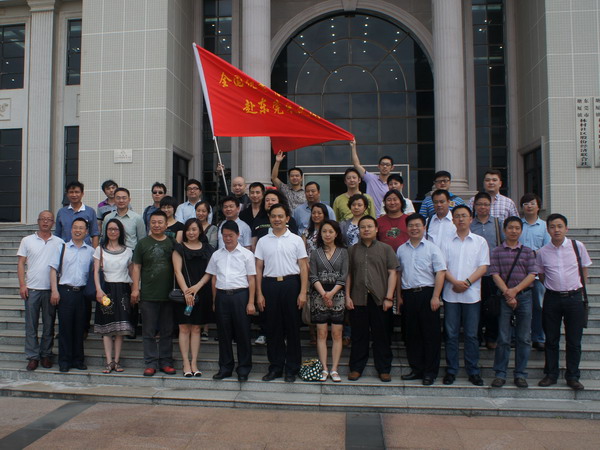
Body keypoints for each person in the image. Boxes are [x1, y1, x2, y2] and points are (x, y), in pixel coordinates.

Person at [536, 214, 592, 391]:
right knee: (551, 339)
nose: (556, 230)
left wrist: (579, 289)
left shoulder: (577, 246)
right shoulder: (542, 252)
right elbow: (541, 275)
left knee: (574, 340)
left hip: (574, 298)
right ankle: (551, 374)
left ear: (566, 228)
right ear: (548, 230)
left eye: (560, 226)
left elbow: (584, 270)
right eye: (552, 227)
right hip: (552, 298)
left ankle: (573, 376)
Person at [255, 203, 308, 383]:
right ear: (269, 218)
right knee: (273, 328)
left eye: (280, 216)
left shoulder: (296, 240)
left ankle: (292, 368)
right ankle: (276, 367)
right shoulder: (263, 241)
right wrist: (259, 294)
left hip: (291, 285)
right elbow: (258, 268)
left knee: (292, 328)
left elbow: (303, 267)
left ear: (287, 218)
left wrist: (303, 292)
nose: (277, 219)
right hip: (269, 286)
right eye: (273, 216)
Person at [441, 205, 489, 386]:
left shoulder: (480, 242)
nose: (460, 219)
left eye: (464, 216)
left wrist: (467, 283)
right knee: (451, 335)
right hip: (451, 294)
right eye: (457, 216)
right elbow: (442, 267)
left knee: (471, 335)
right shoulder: (446, 242)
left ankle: (473, 371)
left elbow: (483, 267)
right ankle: (451, 370)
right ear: (452, 220)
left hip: (472, 296)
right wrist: (455, 282)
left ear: (471, 219)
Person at [396, 213, 446, 385]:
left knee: (430, 335)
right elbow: (399, 274)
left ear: (424, 227)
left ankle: (430, 372)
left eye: (418, 225)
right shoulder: (401, 249)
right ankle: (416, 369)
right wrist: (399, 296)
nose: (414, 228)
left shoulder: (432, 248)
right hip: (408, 295)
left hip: (427, 294)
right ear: (406, 228)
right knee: (412, 334)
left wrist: (436, 296)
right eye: (411, 225)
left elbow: (440, 272)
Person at [346, 216, 398, 382]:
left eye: (369, 226)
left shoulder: (386, 249)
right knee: (358, 335)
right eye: (363, 227)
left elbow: (393, 273)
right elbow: (349, 275)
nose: (366, 229)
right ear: (359, 230)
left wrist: (389, 297)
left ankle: (383, 369)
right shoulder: (352, 250)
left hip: (380, 299)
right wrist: (347, 296)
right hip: (358, 298)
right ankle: (356, 368)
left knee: (382, 335)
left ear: (376, 229)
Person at [205, 220, 256, 382]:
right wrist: (215, 301)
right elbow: (213, 279)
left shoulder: (247, 254)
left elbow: (252, 279)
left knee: (243, 333)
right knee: (224, 334)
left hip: (241, 295)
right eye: (225, 236)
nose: (227, 238)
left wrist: (251, 302)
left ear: (238, 235)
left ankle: (244, 368)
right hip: (222, 296)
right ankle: (225, 367)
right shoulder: (216, 255)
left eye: (231, 235)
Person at [489, 216, 537, 388]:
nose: (514, 231)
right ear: (504, 230)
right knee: (503, 337)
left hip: (524, 297)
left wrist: (515, 291)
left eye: (517, 228)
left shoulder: (528, 251)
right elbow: (495, 274)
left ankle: (520, 374)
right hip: (504, 297)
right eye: (510, 228)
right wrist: (508, 294)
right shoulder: (497, 251)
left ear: (521, 231)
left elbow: (532, 274)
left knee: (524, 338)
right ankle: (500, 374)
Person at [17, 211, 64, 371]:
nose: (45, 222)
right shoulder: (27, 240)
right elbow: (21, 263)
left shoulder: (59, 242)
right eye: (43, 219)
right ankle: (32, 356)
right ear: (38, 221)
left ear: (53, 223)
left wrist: (56, 289)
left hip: (50, 290)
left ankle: (46, 355)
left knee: (49, 324)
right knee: (31, 325)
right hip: (32, 289)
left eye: (49, 219)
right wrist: (22, 285)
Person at [131, 210, 176, 377]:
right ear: (149, 224)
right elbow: (136, 267)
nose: (156, 225)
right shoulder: (142, 244)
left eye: (160, 222)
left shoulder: (172, 243)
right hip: (148, 294)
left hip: (168, 295)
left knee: (167, 331)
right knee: (148, 331)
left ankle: (166, 361)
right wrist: (135, 288)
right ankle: (150, 363)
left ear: (166, 225)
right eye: (153, 222)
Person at [49, 218, 95, 372]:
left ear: (86, 232)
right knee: (65, 327)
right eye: (75, 227)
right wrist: (54, 290)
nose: (78, 230)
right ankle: (64, 361)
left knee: (80, 327)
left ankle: (78, 360)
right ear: (71, 229)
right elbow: (53, 270)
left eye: (81, 228)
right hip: (65, 291)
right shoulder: (62, 248)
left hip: (82, 293)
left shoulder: (91, 251)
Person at [172, 218, 215, 377]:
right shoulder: (179, 248)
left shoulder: (208, 248)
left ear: (200, 231)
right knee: (184, 328)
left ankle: (194, 362)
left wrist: (197, 287)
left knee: (196, 328)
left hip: (201, 292)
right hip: (183, 293)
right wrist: (186, 292)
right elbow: (177, 271)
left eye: (194, 229)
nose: (191, 233)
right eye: (188, 229)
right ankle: (185, 363)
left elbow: (210, 271)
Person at [93, 218, 135, 373]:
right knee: (107, 328)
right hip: (107, 290)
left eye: (115, 229)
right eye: (110, 229)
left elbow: (132, 272)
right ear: (106, 231)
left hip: (123, 290)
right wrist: (98, 290)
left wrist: (135, 289)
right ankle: (108, 361)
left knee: (120, 329)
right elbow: (95, 272)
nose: (113, 232)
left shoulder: (128, 251)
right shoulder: (100, 250)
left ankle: (116, 361)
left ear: (120, 231)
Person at [309, 220, 348, 383]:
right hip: (319, 295)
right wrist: (324, 294)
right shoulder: (315, 253)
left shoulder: (344, 252)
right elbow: (313, 275)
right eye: (324, 231)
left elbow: (344, 275)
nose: (327, 234)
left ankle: (334, 369)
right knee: (321, 333)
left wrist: (331, 293)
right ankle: (324, 368)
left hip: (338, 295)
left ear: (336, 233)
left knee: (337, 333)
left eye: (331, 231)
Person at [470, 191, 504, 350]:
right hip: (473, 274)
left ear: (490, 206)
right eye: (479, 204)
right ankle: (476, 336)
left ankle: (492, 337)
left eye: (486, 204)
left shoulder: (498, 223)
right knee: (475, 307)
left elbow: (503, 246)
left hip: (492, 273)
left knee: (492, 307)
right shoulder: (470, 225)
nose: (483, 207)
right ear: (474, 206)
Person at [519, 193, 551, 351]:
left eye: (532, 203)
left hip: (538, 274)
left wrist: (531, 253)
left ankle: (539, 337)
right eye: (526, 204)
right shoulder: (517, 225)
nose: (529, 206)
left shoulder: (545, 227)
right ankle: (519, 336)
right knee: (518, 307)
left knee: (539, 306)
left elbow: (547, 248)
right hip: (519, 274)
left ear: (538, 206)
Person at [350, 140, 393, 217]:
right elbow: (356, 165)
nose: (385, 167)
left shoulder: (393, 184)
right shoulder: (371, 178)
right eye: (382, 164)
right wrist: (353, 147)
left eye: (387, 165)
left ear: (392, 167)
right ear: (378, 166)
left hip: (386, 218)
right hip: (370, 218)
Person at [55, 181, 100, 248]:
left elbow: (95, 234)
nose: (74, 195)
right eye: (71, 192)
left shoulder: (90, 211)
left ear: (82, 194)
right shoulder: (61, 212)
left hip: (85, 249)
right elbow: (57, 234)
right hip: (66, 250)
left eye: (77, 192)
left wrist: (94, 251)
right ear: (67, 194)